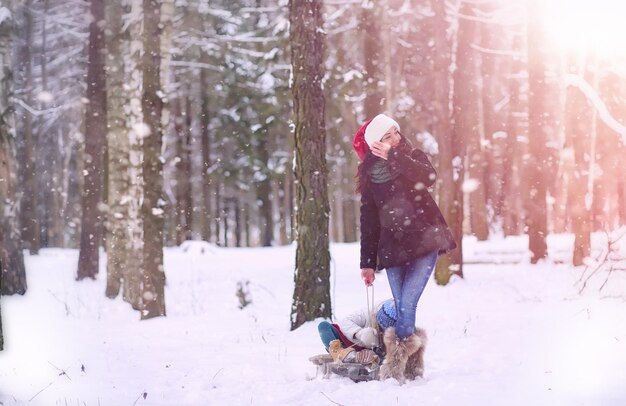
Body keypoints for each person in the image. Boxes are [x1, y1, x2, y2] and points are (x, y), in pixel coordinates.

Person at [353, 113, 456, 382]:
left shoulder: (413, 158)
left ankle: (393, 370)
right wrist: (367, 262)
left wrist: (394, 155)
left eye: (396, 133)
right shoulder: (371, 179)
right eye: (387, 137)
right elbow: (369, 222)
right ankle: (413, 366)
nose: (395, 139)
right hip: (393, 249)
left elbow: (428, 176)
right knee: (401, 307)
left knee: (407, 304)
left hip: (425, 241)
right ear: (375, 144)